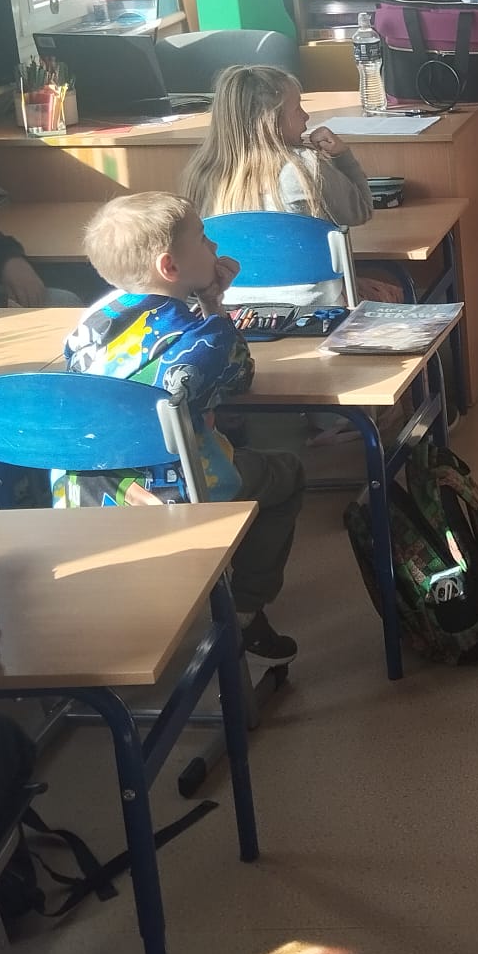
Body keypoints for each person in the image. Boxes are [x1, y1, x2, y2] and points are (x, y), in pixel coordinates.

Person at [62, 193, 305, 661]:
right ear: (170, 266)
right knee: (286, 475)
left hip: (90, 489)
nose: (214, 247)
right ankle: (245, 609)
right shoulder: (204, 337)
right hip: (172, 488)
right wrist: (214, 303)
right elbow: (241, 376)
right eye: (203, 238)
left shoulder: (89, 324)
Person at [181, 64, 379, 307]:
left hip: (230, 308)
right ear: (270, 121)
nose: (306, 116)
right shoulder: (305, 166)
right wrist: (341, 155)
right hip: (313, 309)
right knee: (393, 282)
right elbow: (361, 210)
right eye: (297, 109)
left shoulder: (200, 173)